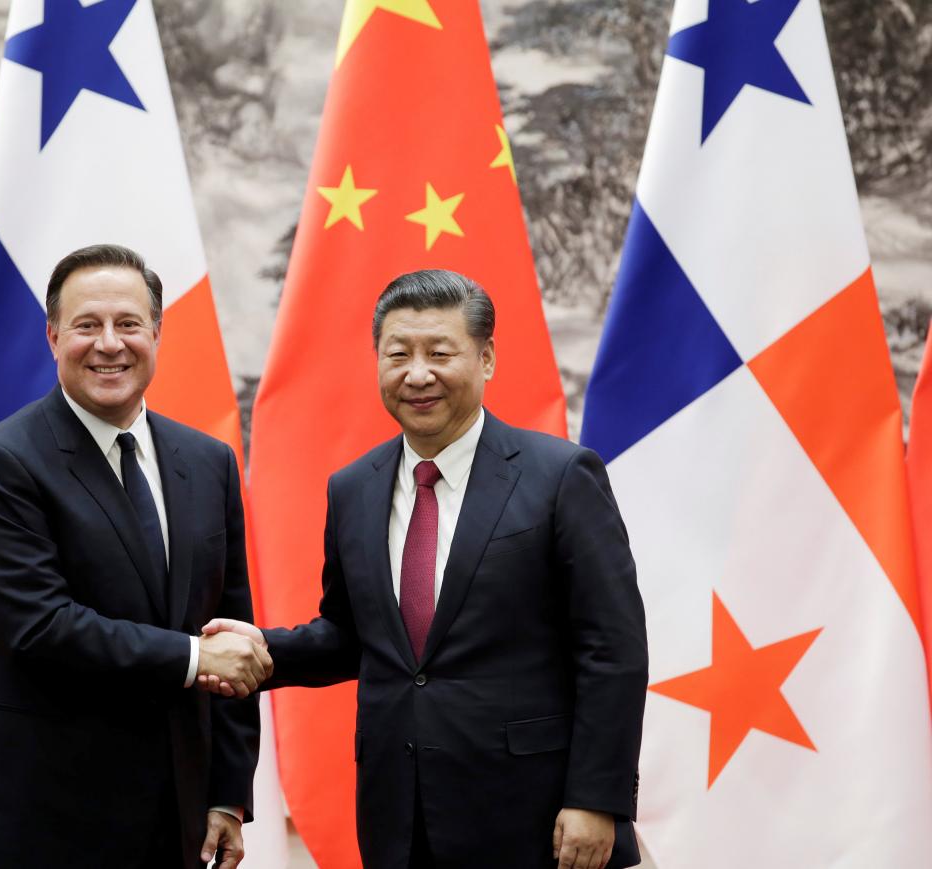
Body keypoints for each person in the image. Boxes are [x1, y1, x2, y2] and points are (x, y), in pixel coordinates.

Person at [204, 270, 648, 869]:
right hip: (399, 813)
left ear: (486, 358)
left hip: (535, 815)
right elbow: (351, 637)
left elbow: (612, 648)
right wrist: (262, 651)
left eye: (440, 353)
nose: (417, 374)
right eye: (398, 355)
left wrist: (597, 798)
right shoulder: (353, 488)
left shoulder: (562, 476)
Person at [0, 243, 269, 869]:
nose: (109, 344)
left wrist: (227, 794)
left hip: (177, 814)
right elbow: (40, 626)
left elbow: (231, 629)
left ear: (157, 334)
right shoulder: (0, 463)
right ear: (54, 335)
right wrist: (197, 657)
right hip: (41, 816)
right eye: (87, 325)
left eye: (128, 324)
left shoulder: (208, 462)